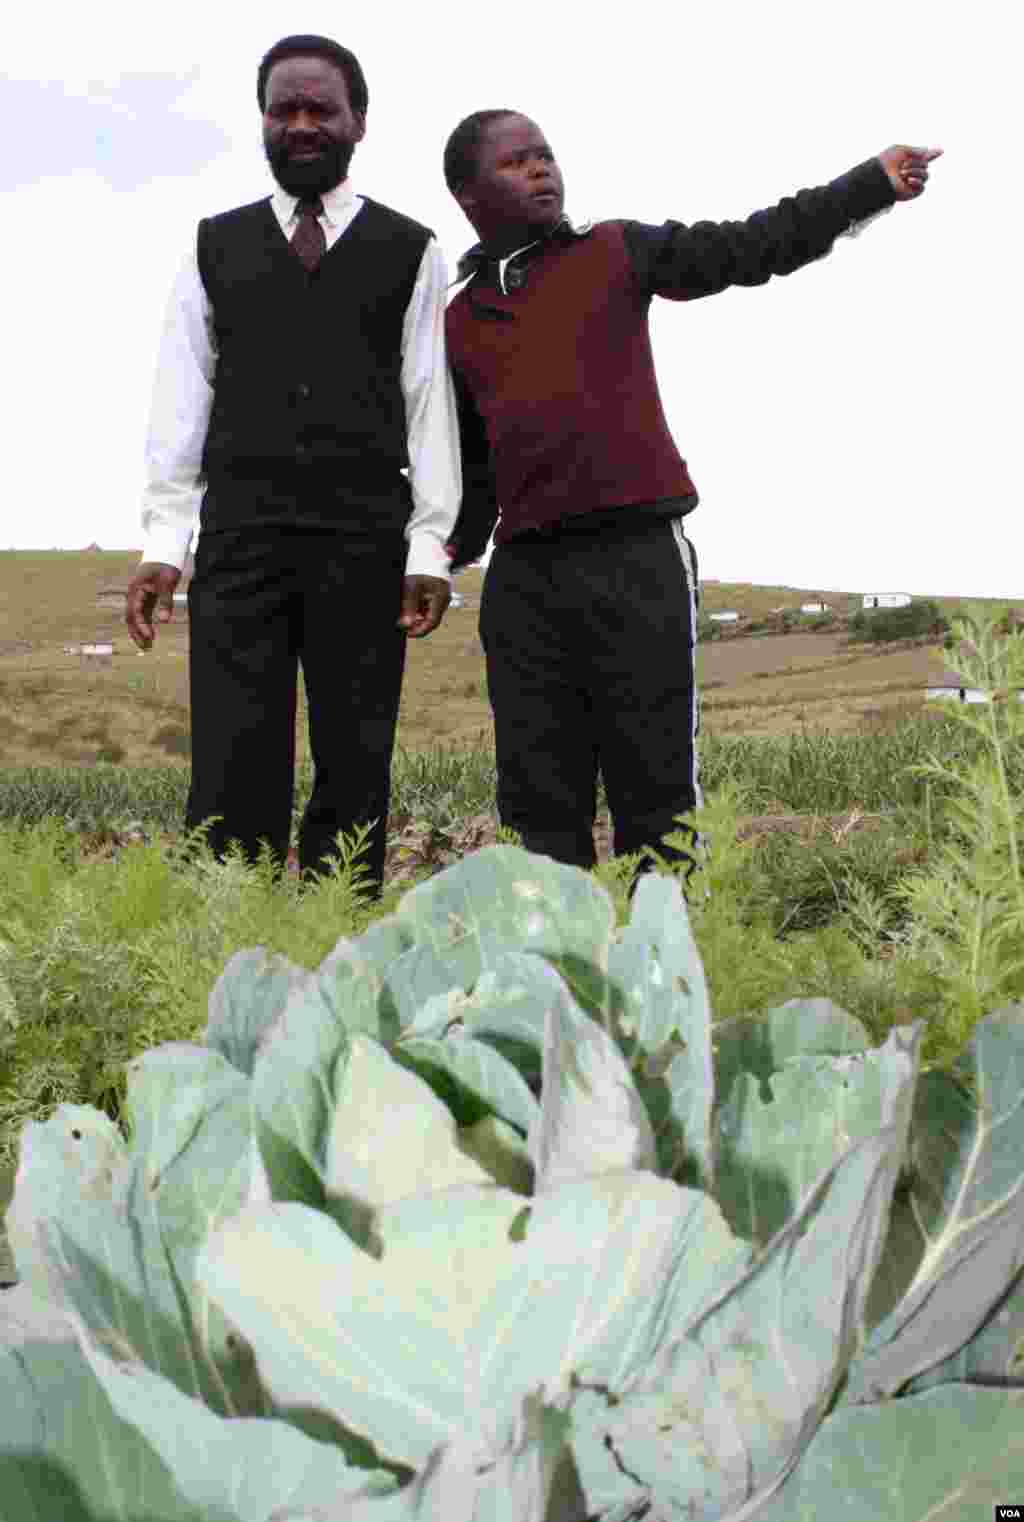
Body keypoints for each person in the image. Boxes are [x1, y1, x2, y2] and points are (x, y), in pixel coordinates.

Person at [442, 112, 941, 894]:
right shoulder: (460, 318)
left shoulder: (614, 250)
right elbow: (472, 469)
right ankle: (551, 995)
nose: (542, 169)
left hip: (636, 557)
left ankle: (667, 993)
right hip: (526, 579)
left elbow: (751, 246)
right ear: (468, 193)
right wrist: (435, 559)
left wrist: (865, 187)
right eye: (515, 161)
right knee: (538, 809)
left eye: (546, 155)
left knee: (658, 804)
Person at [126, 35, 466, 899]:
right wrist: (165, 541)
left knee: (356, 757)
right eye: (287, 109)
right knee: (234, 758)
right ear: (264, 122)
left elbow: (428, 402)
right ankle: (228, 945)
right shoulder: (215, 246)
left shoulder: (411, 249)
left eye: (323, 109)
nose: (304, 124)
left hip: (365, 539)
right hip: (242, 536)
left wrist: (429, 546)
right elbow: (181, 399)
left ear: (358, 122)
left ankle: (336, 942)